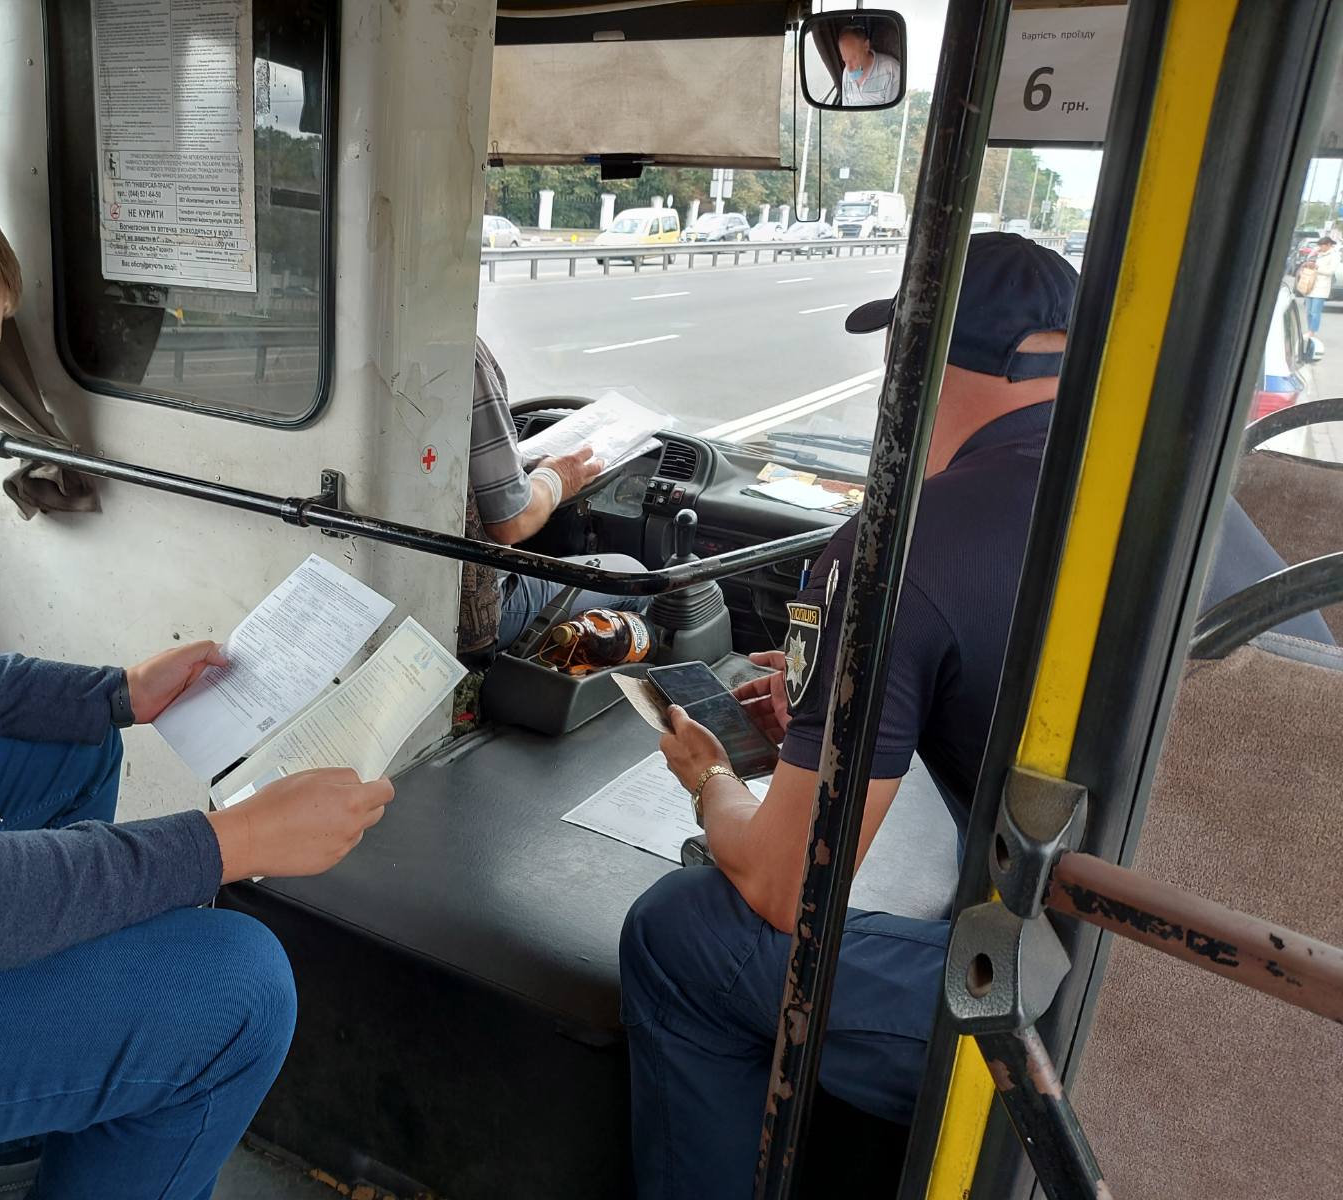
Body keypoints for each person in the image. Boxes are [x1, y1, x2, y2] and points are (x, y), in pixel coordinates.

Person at [0, 136, 394, 1200]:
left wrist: (110, 696)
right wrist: (224, 844)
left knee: (65, 747)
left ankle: (19, 1148)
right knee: (233, 989)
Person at [619, 233, 1079, 1199]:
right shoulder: (1180, 503)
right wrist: (842, 705)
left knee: (678, 933)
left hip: (1070, 1010)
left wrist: (710, 780)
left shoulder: (900, 550)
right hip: (1217, 995)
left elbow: (785, 885)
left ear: (928, 361)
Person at [460, 336, 653, 658]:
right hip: (466, 612)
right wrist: (557, 479)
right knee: (633, 577)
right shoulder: (464, 350)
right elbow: (511, 522)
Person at [838, 25, 901, 108]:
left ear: (866, 46)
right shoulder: (846, 72)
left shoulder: (892, 70)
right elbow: (845, 108)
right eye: (845, 61)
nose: (849, 69)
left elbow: (893, 111)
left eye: (853, 59)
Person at [1307, 234, 1337, 333]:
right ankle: (1309, 329)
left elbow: (1331, 272)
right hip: (1311, 285)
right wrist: (1313, 252)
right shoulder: (1318, 253)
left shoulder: (1334, 255)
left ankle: (1312, 331)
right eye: (1319, 245)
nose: (1320, 247)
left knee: (1315, 312)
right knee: (1308, 312)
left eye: (1322, 245)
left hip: (1321, 288)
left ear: (1329, 245)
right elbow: (1308, 259)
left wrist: (1317, 268)